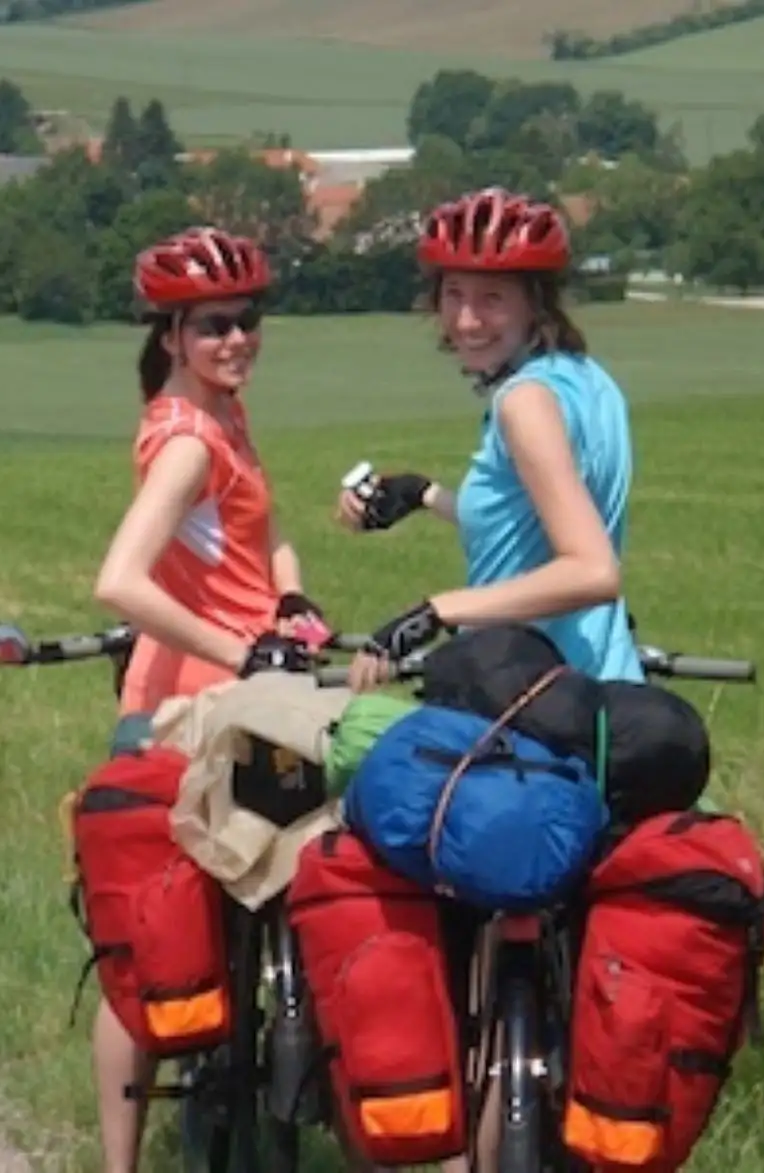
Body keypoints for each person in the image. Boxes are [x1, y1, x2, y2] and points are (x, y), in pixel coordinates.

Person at [336, 186, 643, 1173]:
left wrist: (439, 610)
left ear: (537, 299)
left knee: (427, 868)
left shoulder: (522, 399)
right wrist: (422, 497)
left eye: (493, 299)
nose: (467, 318)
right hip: (608, 694)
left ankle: (456, 1109)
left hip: (525, 702)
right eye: (454, 296)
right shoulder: (584, 383)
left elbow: (587, 565)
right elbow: (526, 521)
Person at [91, 225, 323, 1173]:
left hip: (252, 706)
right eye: (214, 326)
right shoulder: (188, 438)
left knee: (263, 907)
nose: (237, 340)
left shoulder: (221, 413)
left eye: (248, 320)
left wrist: (293, 597)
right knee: (151, 945)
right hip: (179, 712)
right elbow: (121, 580)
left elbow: (255, 539)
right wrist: (243, 646)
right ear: (174, 335)